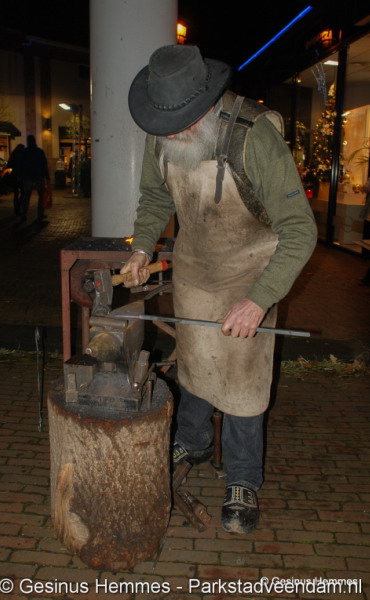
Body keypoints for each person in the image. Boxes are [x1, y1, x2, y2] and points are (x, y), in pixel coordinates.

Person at [120, 45, 317, 534]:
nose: (173, 134)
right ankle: (194, 441)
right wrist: (141, 249)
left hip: (252, 274)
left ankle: (244, 477)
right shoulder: (163, 130)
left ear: (207, 102)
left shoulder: (253, 135)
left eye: (183, 124)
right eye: (167, 126)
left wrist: (260, 299)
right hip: (195, 271)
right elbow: (154, 197)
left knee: (243, 382)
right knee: (195, 364)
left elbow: (300, 229)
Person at [18, 134, 49, 222]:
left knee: (26, 196)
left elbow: (20, 164)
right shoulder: (40, 152)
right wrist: (47, 177)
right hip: (39, 176)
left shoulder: (24, 152)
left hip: (27, 177)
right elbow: (44, 165)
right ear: (34, 141)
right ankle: (40, 214)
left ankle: (23, 214)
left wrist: (20, 175)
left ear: (28, 142)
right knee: (41, 196)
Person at [7, 143, 25, 216]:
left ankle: (16, 209)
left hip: (14, 175)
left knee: (16, 193)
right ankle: (19, 207)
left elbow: (9, 164)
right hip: (21, 175)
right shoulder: (23, 154)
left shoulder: (13, 153)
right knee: (23, 192)